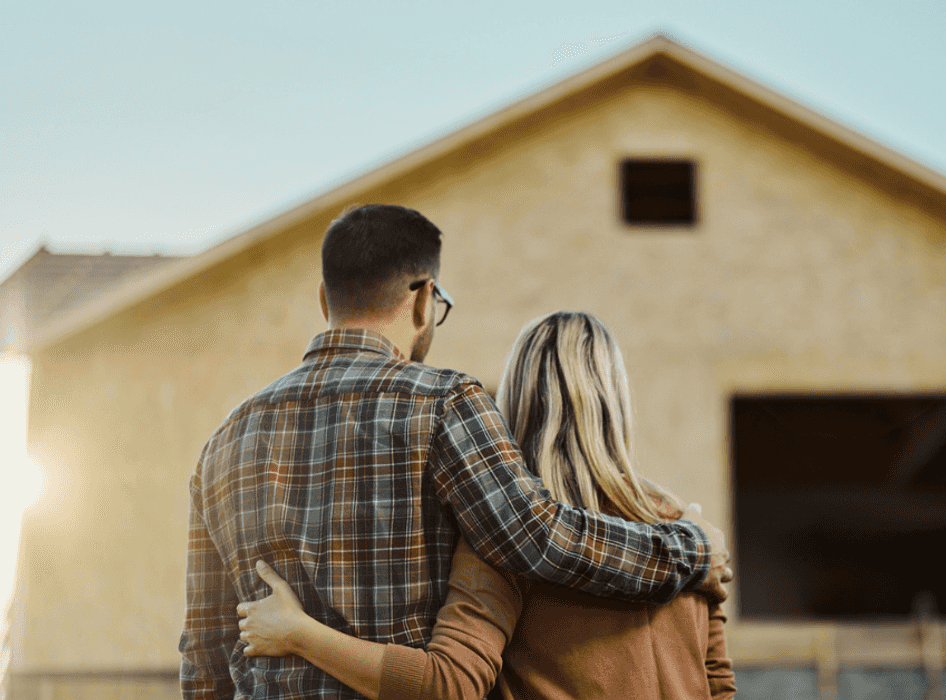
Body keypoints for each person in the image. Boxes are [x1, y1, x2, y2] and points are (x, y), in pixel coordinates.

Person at [180, 205, 731, 699]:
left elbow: (204, 658)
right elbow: (540, 538)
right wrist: (692, 551)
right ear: (423, 299)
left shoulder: (223, 444)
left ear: (325, 299)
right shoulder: (443, 404)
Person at [237, 311, 736, 700]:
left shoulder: (502, 537)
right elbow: (719, 686)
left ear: (514, 402)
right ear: (618, 403)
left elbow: (446, 685)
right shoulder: (688, 534)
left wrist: (299, 634)